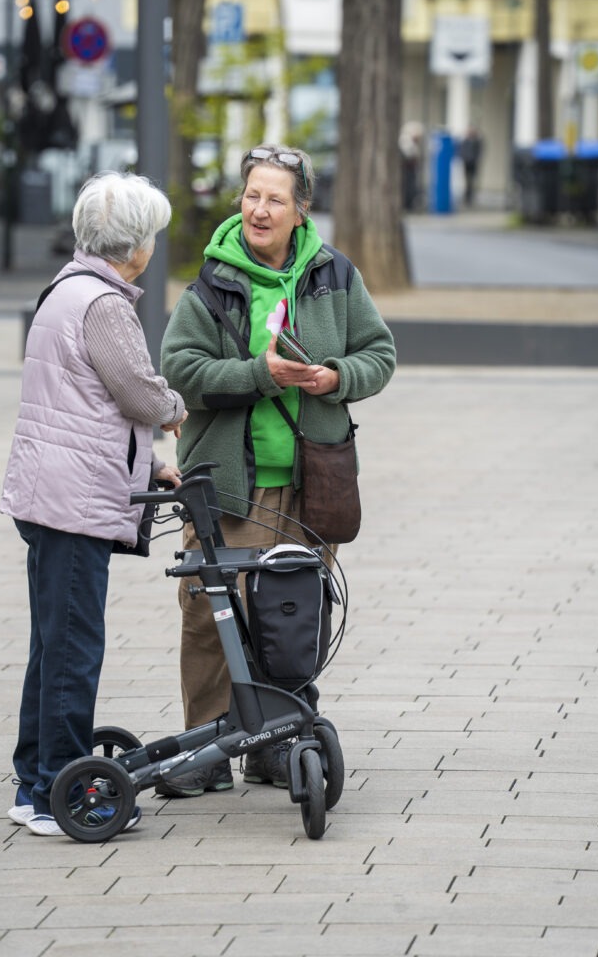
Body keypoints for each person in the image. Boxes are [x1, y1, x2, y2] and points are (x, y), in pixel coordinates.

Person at [159, 143, 396, 797]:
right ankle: (206, 747)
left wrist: (336, 376)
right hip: (229, 485)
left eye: (274, 199)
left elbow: (379, 353)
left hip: (310, 481)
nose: (259, 209)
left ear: (301, 210)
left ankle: (276, 742)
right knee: (211, 614)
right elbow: (180, 372)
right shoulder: (212, 281)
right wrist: (258, 375)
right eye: (251, 196)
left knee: (291, 615)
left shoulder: (333, 274)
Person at [0, 171, 187, 836]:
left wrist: (151, 466)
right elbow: (136, 391)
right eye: (152, 237)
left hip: (50, 491)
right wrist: (176, 409)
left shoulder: (65, 289)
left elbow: (86, 406)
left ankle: (34, 784)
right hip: (72, 502)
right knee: (74, 649)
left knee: (52, 645)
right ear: (134, 246)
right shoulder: (104, 304)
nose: (153, 248)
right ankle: (59, 791)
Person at [459, 126, 483, 206]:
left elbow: (479, 152)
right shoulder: (465, 141)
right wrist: (465, 158)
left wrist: (475, 159)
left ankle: (470, 197)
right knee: (467, 181)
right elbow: (462, 151)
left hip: (473, 164)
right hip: (466, 163)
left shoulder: (477, 142)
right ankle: (466, 197)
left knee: (472, 181)